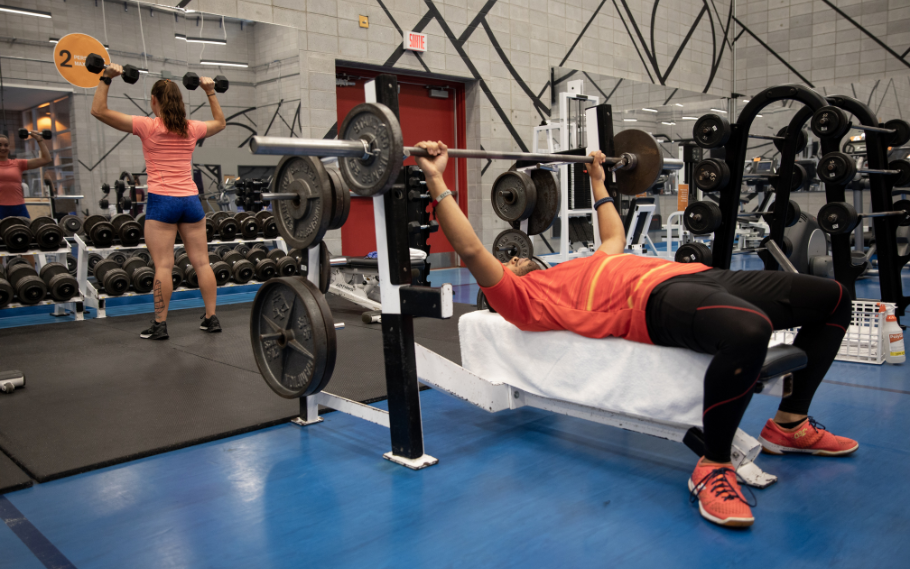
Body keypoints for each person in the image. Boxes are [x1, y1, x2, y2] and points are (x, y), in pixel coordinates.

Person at [414, 140, 856, 529]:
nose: (511, 258)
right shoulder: (522, 301)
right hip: (652, 302)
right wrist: (436, 179)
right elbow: (470, 248)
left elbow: (613, 237)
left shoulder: (575, 266)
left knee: (834, 298)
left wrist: (597, 180)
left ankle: (790, 425)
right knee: (749, 330)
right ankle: (714, 465)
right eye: (506, 263)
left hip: (693, 275)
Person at [91, 65, 226, 339]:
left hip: (163, 201)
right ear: (179, 101)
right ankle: (211, 318)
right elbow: (220, 123)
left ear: (154, 101)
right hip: (190, 201)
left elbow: (99, 111)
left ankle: (160, 324)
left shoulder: (148, 125)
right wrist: (210, 92)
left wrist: (106, 78)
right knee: (202, 263)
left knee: (163, 265)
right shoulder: (192, 128)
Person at [0, 130, 52, 268]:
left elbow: (46, 159)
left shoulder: (17, 163)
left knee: (26, 245)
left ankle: (30, 275)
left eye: (6, 145)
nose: (3, 148)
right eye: (0, 145)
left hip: (19, 209)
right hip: (0, 209)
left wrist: (39, 140)